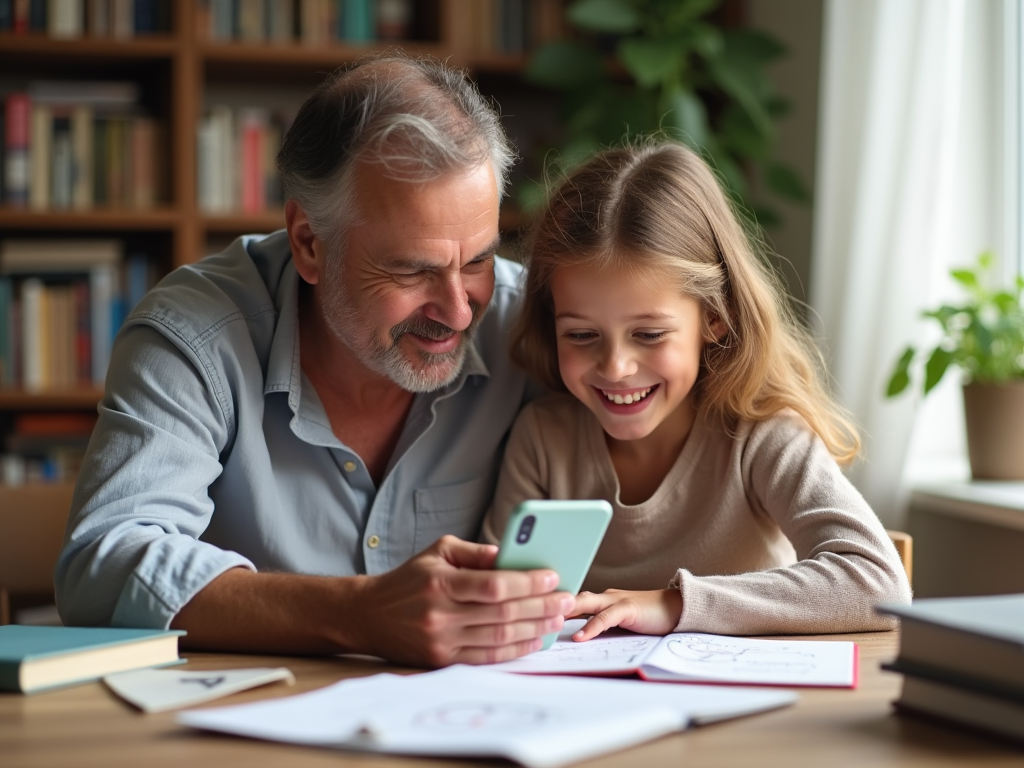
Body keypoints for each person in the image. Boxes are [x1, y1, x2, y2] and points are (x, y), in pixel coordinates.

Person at [54, 53, 573, 667]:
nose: (459, 312)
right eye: (413, 269)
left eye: (479, 261)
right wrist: (357, 613)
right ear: (308, 243)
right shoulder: (195, 337)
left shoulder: (534, 328)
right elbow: (102, 560)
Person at [483, 140, 912, 641]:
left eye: (649, 334)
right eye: (581, 335)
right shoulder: (543, 440)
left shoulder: (762, 437)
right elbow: (502, 609)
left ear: (714, 317)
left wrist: (673, 604)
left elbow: (880, 584)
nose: (616, 367)